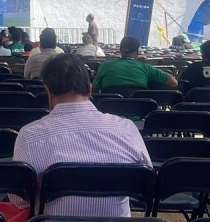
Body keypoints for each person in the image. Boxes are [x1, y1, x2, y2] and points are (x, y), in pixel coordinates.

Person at [10, 53, 151, 217]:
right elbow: (146, 183)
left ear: (48, 89)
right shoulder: (126, 129)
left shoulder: (30, 135)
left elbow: (19, 199)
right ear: (89, 87)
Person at [93, 36, 178, 92]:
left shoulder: (104, 66)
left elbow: (94, 90)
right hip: (138, 116)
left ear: (120, 50)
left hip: (109, 116)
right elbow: (174, 83)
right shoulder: (146, 68)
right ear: (138, 51)